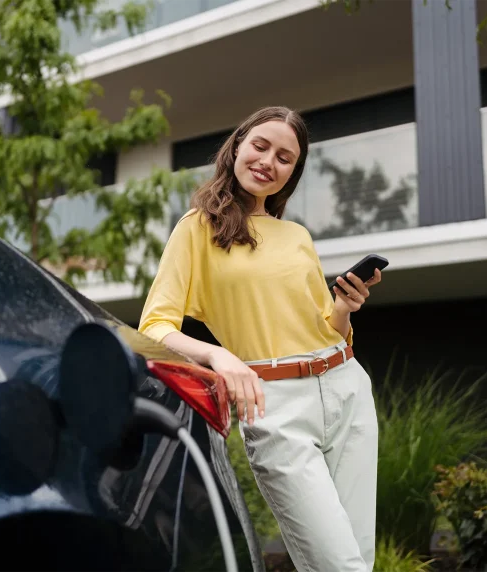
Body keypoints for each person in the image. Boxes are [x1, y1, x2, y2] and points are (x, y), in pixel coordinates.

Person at [138, 106, 381, 572]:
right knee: (338, 564)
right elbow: (155, 328)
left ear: (292, 173)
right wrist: (220, 357)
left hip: (347, 387)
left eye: (286, 157)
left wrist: (346, 308)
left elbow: (326, 327)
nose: (269, 161)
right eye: (261, 146)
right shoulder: (196, 229)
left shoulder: (296, 235)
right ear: (238, 146)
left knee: (358, 558)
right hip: (277, 409)